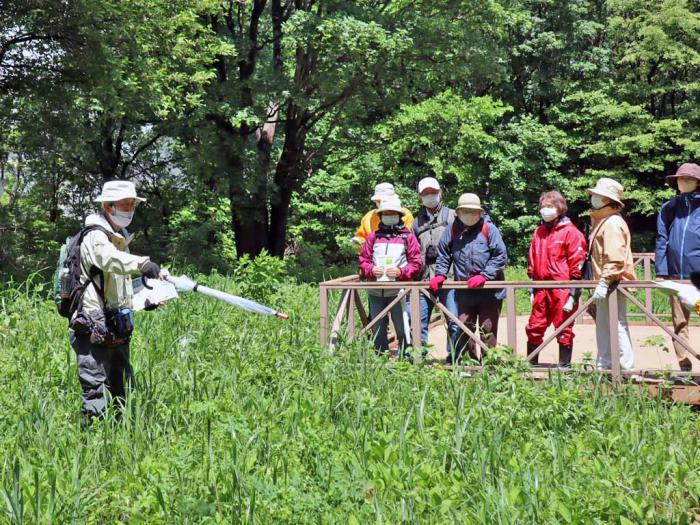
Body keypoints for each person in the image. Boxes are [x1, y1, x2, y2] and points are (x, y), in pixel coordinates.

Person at [69, 180, 162, 420]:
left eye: (132, 205)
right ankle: (92, 443)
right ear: (109, 207)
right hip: (92, 323)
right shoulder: (96, 237)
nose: (129, 210)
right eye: (124, 205)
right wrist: (142, 263)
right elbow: (110, 260)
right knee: (95, 388)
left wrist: (145, 301)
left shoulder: (120, 235)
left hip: (117, 321)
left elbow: (123, 284)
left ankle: (121, 435)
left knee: (121, 386)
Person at [430, 193, 507, 364]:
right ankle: (469, 364)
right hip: (464, 290)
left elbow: (500, 256)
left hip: (489, 291)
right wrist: (440, 274)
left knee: (487, 328)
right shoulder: (453, 229)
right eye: (465, 211)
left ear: (480, 213)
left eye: (473, 211)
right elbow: (444, 253)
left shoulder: (489, 229)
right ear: (458, 212)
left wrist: (484, 275)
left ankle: (489, 365)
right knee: (465, 327)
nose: (469, 214)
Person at [525, 191, 587, 366]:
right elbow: (532, 259)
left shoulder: (571, 232)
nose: (545, 210)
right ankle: (532, 364)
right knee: (534, 326)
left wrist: (574, 293)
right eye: (543, 207)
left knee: (564, 327)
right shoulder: (539, 232)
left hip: (563, 288)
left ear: (560, 208)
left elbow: (578, 263)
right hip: (540, 287)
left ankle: (564, 367)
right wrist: (532, 286)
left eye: (550, 207)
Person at [358, 196, 422, 355]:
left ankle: (405, 360)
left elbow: (416, 263)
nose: (389, 216)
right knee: (377, 329)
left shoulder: (408, 237)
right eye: (386, 213)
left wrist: (401, 272)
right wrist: (371, 270)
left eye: (393, 213)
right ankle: (380, 360)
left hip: (399, 292)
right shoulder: (373, 237)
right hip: (375, 291)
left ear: (399, 215)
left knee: (402, 328)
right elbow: (363, 260)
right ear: (380, 216)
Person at [655, 163, 700, 371]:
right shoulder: (669, 208)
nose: (683, 182)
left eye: (688, 179)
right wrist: (662, 272)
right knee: (679, 323)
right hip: (675, 277)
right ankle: (684, 366)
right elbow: (662, 240)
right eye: (680, 179)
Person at [587, 178, 636, 371]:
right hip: (607, 283)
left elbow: (614, 257)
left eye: (598, 195)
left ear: (608, 200)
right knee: (605, 325)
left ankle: (625, 368)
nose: (593, 197)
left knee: (616, 325)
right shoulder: (604, 221)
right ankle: (606, 365)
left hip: (613, 283)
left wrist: (605, 281)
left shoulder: (612, 222)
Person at [411, 176, 457, 349]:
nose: (430, 196)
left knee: (454, 321)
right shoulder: (416, 222)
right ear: (420, 197)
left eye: (433, 192)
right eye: (425, 193)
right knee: (419, 322)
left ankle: (454, 361)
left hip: (449, 279)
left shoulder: (453, 216)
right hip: (423, 280)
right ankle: (418, 361)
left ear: (440, 193)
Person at [352, 182, 414, 249]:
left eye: (382, 201)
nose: (379, 203)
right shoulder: (368, 217)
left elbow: (410, 240)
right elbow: (361, 237)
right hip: (374, 256)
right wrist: (358, 241)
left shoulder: (406, 215)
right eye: (377, 201)